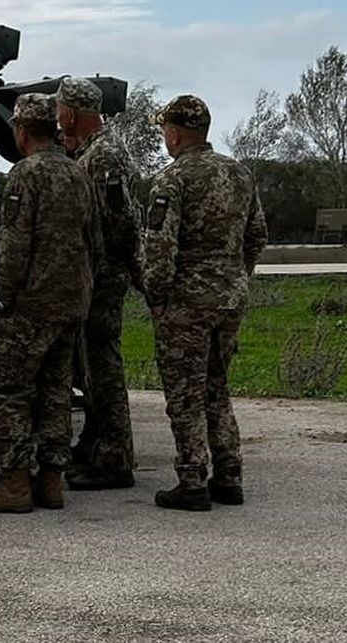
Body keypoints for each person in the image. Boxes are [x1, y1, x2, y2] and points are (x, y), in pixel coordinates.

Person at [0, 92, 100, 514]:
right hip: (70, 302)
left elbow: (13, 246)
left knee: (8, 390)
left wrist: (5, 297)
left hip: (31, 305)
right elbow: (92, 239)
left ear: (21, 131)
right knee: (56, 391)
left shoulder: (25, 175)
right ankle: (51, 480)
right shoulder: (79, 174)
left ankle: (13, 482)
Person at [141, 94, 267, 511]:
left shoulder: (172, 179)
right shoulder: (239, 174)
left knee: (184, 392)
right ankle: (229, 474)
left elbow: (160, 249)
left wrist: (157, 297)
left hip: (186, 302)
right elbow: (257, 236)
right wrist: (235, 278)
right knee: (217, 386)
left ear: (174, 134)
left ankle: (192, 479)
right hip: (229, 298)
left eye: (164, 130)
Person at [56, 77, 141, 491]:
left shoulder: (103, 156)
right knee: (89, 367)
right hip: (94, 275)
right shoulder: (90, 153)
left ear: (71, 113)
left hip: (103, 278)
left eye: (60, 112)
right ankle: (94, 445)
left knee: (103, 367)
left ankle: (115, 458)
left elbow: (120, 221)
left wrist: (113, 268)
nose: (57, 119)